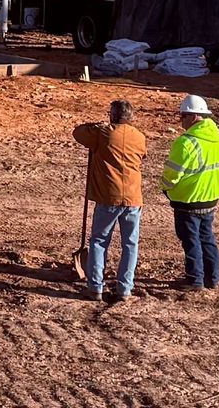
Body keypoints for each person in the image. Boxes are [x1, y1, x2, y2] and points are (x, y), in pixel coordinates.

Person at [72, 100, 147, 303]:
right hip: (133, 198)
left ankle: (95, 287)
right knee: (130, 244)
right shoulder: (139, 137)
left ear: (112, 115)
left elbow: (78, 133)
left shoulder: (103, 133)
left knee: (99, 241)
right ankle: (125, 289)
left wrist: (95, 125)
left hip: (108, 198)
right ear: (130, 118)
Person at [161, 93, 219, 292]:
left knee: (191, 240)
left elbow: (172, 175)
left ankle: (194, 279)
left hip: (188, 200)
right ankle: (212, 278)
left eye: (182, 116)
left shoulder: (186, 143)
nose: (180, 121)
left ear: (193, 116)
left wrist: (165, 188)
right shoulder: (218, 139)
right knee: (207, 238)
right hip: (210, 198)